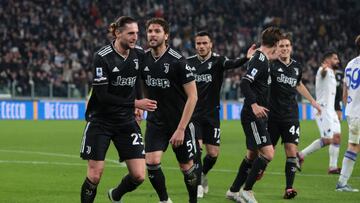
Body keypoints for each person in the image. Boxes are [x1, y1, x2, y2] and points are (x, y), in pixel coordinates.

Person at [79, 16, 157, 203]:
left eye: (137, 33)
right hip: (101, 121)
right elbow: (103, 96)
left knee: (139, 176)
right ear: (118, 33)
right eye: (131, 33)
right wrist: (135, 104)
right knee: (95, 175)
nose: (135, 37)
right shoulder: (102, 57)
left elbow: (137, 77)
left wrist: (138, 99)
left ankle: (115, 195)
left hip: (126, 122)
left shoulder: (137, 53)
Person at [186, 31, 256, 198]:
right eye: (198, 44)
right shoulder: (188, 63)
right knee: (197, 148)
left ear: (211, 44)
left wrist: (246, 58)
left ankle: (202, 174)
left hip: (212, 115)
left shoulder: (218, 60)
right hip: (193, 115)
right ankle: (197, 185)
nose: (201, 46)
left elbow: (232, 63)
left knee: (213, 154)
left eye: (204, 43)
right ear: (195, 45)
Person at [141, 18, 198, 203]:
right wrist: (138, 104)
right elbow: (140, 84)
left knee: (186, 166)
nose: (152, 34)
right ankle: (164, 200)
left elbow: (193, 96)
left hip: (178, 123)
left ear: (166, 35)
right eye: (150, 31)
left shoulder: (179, 61)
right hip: (156, 122)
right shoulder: (143, 59)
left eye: (157, 31)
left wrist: (181, 128)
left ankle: (192, 201)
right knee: (151, 162)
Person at [226, 27, 282, 203]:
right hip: (253, 115)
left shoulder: (262, 58)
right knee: (268, 153)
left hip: (257, 115)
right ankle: (247, 190)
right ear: (275, 43)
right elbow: (245, 83)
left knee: (251, 155)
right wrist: (255, 105)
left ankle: (233, 191)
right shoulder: (260, 59)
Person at [267, 33, 321, 199]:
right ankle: (252, 178)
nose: (284, 49)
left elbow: (298, 84)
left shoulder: (296, 66)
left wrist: (312, 101)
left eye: (286, 46)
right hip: (272, 115)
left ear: (291, 48)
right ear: (277, 48)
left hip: (290, 115)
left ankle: (289, 188)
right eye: (281, 46)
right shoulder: (270, 65)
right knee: (267, 153)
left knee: (291, 149)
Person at [298, 51, 342, 174]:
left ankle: (333, 167)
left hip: (331, 110)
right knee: (328, 140)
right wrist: (323, 68)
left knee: (337, 137)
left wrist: (337, 109)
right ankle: (300, 155)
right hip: (322, 109)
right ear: (327, 60)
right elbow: (322, 73)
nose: (338, 61)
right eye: (335, 58)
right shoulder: (323, 70)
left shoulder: (333, 73)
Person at [335, 34, 360, 192]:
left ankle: (342, 183)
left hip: (352, 112)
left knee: (353, 145)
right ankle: (342, 184)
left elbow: (345, 93)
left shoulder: (351, 64)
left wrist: (349, 109)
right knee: (353, 146)